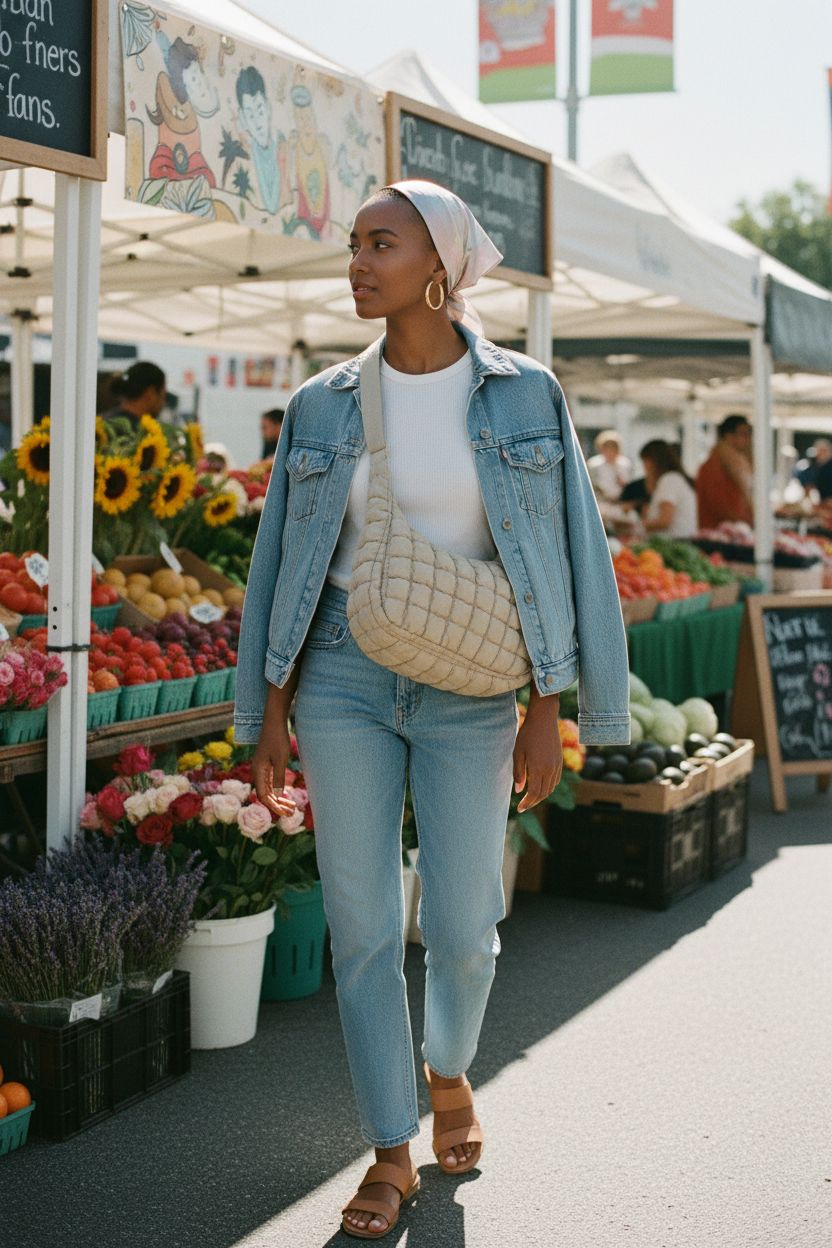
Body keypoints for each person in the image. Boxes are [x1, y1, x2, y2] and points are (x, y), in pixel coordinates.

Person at [234, 181, 629, 1240]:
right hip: (340, 676)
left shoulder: (524, 394)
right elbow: (280, 565)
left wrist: (552, 706)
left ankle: (447, 1068)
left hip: (475, 686)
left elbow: (569, 553)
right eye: (355, 244)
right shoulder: (322, 403)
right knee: (362, 930)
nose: (358, 263)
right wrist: (265, 712)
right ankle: (389, 1150)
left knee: (461, 926)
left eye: (382, 244)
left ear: (440, 267)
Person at [696, 414, 753, 529]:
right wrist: (744, 522)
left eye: (749, 434)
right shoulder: (713, 466)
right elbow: (719, 504)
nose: (748, 439)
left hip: (735, 529)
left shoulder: (735, 462)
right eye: (744, 434)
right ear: (729, 436)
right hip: (720, 532)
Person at [639, 439, 698, 538]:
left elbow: (665, 521)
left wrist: (638, 526)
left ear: (654, 461)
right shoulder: (673, 479)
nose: (644, 466)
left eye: (645, 461)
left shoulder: (669, 479)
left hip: (676, 541)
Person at [587, 429, 631, 502]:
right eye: (607, 448)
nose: (610, 451)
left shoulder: (625, 464)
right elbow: (591, 485)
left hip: (620, 503)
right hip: (600, 502)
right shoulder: (593, 464)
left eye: (614, 447)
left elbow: (628, 485)